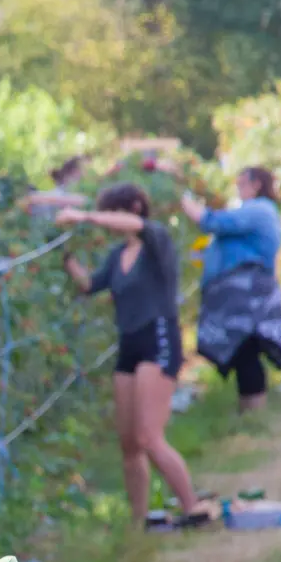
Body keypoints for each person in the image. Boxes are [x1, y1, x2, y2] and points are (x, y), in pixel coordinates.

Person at [57, 185, 212, 530]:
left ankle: (193, 506)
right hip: (128, 344)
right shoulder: (117, 255)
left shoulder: (157, 240)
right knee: (129, 443)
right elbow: (90, 285)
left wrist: (83, 215)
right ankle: (139, 520)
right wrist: (66, 260)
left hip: (158, 339)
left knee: (148, 436)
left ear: (134, 208)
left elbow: (136, 226)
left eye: (112, 214)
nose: (107, 225)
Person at [182, 167, 281, 412]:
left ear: (257, 184)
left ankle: (254, 409)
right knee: (243, 349)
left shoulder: (258, 210)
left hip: (247, 291)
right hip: (241, 290)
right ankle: (249, 408)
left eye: (242, 183)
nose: (238, 188)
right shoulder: (254, 210)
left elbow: (213, 222)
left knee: (246, 346)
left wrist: (183, 200)